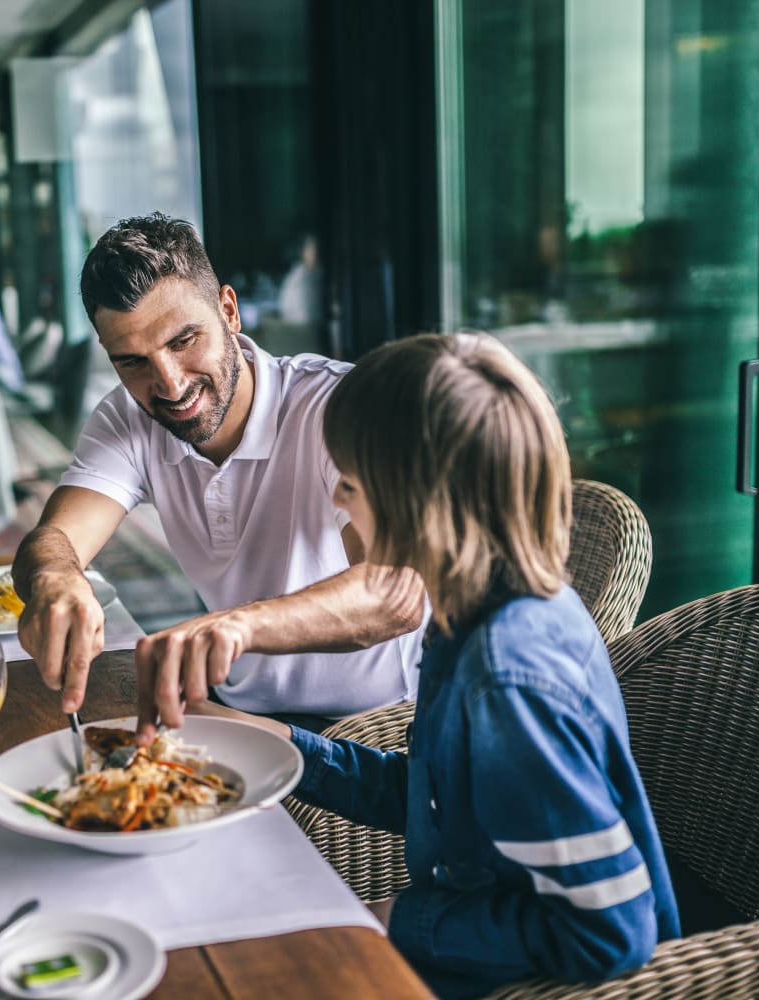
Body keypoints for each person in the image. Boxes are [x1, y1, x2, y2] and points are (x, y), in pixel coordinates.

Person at [228, 333, 679, 998]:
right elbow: (436, 798)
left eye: (348, 483)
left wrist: (400, 921)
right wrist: (283, 747)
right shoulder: (467, 613)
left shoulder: (507, 678)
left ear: (416, 502)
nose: (337, 504)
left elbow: (610, 930)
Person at [12, 212, 426, 733]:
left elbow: (397, 594)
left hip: (376, 725)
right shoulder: (126, 415)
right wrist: (56, 579)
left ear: (228, 311)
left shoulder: (339, 406)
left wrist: (234, 626)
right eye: (133, 362)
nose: (169, 384)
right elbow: (53, 537)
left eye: (183, 341)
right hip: (235, 714)